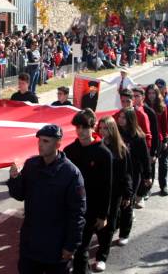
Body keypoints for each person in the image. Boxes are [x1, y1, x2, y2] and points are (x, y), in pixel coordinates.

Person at [7, 124, 86, 274]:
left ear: (58, 144)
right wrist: (14, 179)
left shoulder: (71, 173)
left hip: (56, 246)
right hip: (31, 242)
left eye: (45, 141)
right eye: (39, 141)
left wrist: (71, 246)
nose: (40, 145)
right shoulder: (31, 165)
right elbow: (19, 195)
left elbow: (77, 214)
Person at [63, 109, 112, 274]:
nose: (81, 131)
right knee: (71, 246)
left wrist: (103, 215)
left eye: (84, 127)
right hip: (71, 208)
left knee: (81, 247)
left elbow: (107, 186)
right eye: (78, 127)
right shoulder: (69, 151)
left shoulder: (103, 153)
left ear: (93, 127)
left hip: (91, 209)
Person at [94, 116, 132, 272]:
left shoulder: (121, 150)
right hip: (97, 192)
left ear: (112, 129)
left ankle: (102, 256)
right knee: (96, 223)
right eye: (100, 128)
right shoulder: (96, 146)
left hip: (115, 193)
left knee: (109, 224)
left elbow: (127, 174)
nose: (102, 131)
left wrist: (127, 195)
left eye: (105, 128)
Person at [115, 107, 151, 246]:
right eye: (120, 117)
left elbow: (145, 158)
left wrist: (147, 176)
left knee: (127, 203)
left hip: (133, 174)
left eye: (124, 118)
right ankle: (116, 224)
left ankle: (124, 233)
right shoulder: (116, 133)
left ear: (130, 119)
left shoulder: (138, 137)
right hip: (118, 173)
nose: (120, 120)